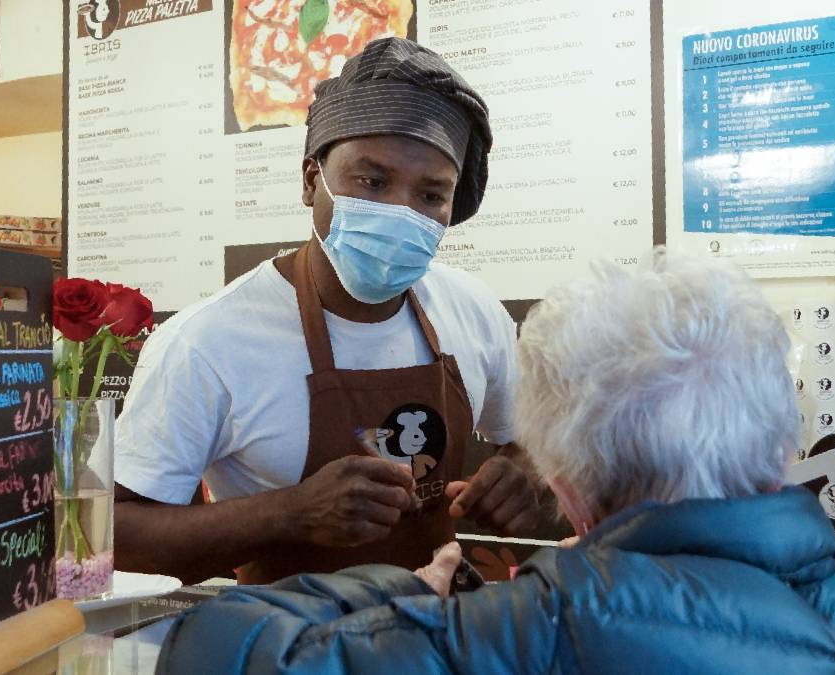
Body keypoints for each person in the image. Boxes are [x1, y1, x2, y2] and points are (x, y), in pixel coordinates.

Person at [155, 249, 835, 674]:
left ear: (566, 490)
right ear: (783, 446)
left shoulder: (529, 626)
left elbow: (210, 644)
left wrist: (417, 587)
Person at [113, 38, 539, 584]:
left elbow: (531, 443)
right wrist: (289, 513)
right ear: (312, 179)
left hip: (436, 636)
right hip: (287, 646)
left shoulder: (472, 311)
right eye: (373, 181)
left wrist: (520, 476)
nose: (401, 211)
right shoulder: (208, 340)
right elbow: (117, 535)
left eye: (431, 195)